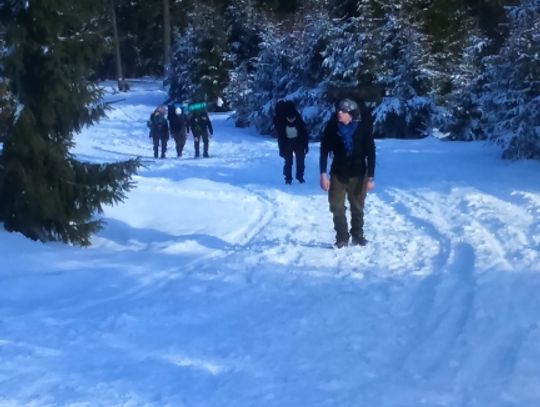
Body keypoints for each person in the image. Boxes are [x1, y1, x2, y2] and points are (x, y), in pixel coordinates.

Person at [319, 98, 376, 248]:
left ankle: (358, 234)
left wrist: (370, 177)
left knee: (357, 206)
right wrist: (323, 173)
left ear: (351, 113)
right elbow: (324, 151)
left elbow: (371, 153)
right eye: (338, 109)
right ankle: (342, 237)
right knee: (336, 206)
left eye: (343, 110)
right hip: (338, 173)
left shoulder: (363, 129)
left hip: (358, 174)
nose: (339, 112)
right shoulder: (332, 128)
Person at [274, 100, 309, 184]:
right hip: (287, 143)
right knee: (288, 161)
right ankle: (288, 178)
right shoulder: (281, 123)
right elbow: (281, 138)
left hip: (298, 142)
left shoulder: (299, 122)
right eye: (290, 118)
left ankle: (300, 177)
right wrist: (281, 150)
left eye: (293, 118)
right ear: (286, 117)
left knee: (300, 160)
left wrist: (306, 145)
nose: (291, 120)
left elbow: (304, 134)